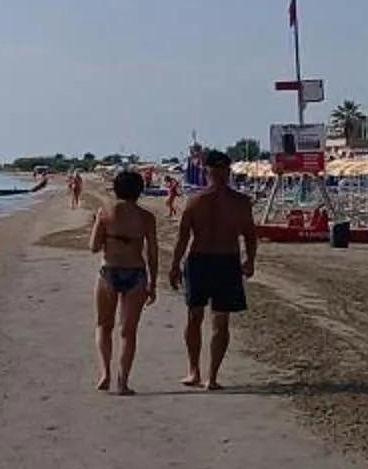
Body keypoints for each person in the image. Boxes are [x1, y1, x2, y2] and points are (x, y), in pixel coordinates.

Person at [171, 164, 261, 389]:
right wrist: (250, 260)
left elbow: (182, 239)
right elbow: (250, 236)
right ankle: (209, 376)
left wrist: (174, 266)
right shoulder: (239, 202)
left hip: (202, 260)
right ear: (228, 172)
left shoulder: (195, 200)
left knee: (196, 317)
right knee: (219, 321)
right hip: (224, 261)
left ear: (205, 173)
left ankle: (196, 372)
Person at [87, 168, 158, 395]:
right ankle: (123, 382)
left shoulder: (105, 212)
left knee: (103, 326)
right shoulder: (147, 217)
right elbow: (153, 252)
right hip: (136, 273)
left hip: (109, 271)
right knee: (128, 332)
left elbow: (93, 247)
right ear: (140, 191)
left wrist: (111, 237)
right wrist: (153, 283)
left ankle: (105, 374)